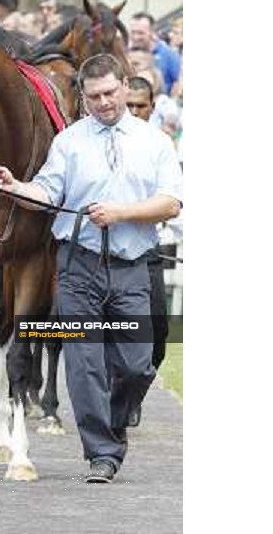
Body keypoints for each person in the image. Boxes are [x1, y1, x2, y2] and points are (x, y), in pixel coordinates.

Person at [0, 54, 182, 483]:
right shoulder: (69, 142)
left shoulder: (156, 143)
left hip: (132, 267)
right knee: (83, 362)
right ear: (83, 97)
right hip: (79, 266)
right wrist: (15, 186)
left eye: (110, 93)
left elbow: (171, 203)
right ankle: (102, 454)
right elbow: (47, 190)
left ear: (125, 87)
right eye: (94, 97)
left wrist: (122, 214)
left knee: (137, 365)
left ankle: (112, 424)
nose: (104, 103)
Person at [125, 76, 177, 426]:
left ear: (152, 107)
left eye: (139, 106)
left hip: (150, 247)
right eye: (127, 105)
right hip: (105, 252)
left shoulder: (162, 145)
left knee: (158, 333)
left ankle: (135, 393)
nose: (132, 111)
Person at [128, 11, 181, 95]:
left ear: (152, 32)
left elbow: (177, 85)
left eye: (140, 33)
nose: (135, 37)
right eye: (133, 32)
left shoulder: (169, 55)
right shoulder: (125, 54)